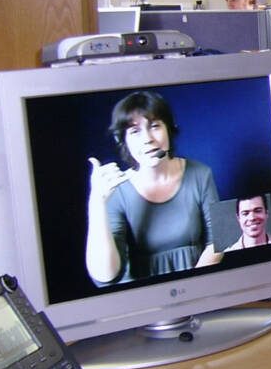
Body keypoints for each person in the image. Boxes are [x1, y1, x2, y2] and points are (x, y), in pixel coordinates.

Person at [85, 90, 224, 284]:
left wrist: (192, 288)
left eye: (155, 126)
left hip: (199, 291)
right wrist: (97, 202)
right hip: (143, 304)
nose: (147, 138)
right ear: (123, 141)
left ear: (169, 129)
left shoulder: (201, 173)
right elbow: (105, 275)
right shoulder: (117, 190)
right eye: (135, 131)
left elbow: (219, 241)